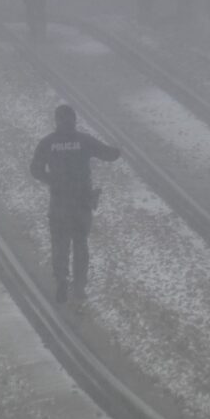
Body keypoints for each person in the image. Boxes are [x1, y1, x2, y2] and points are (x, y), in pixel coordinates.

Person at [30, 104, 121, 303]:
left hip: (59, 202)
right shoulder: (84, 141)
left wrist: (52, 180)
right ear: (74, 120)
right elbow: (109, 155)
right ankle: (79, 287)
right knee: (81, 244)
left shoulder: (47, 143)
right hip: (82, 203)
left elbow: (35, 170)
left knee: (59, 244)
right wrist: (119, 145)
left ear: (57, 120)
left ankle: (62, 279)